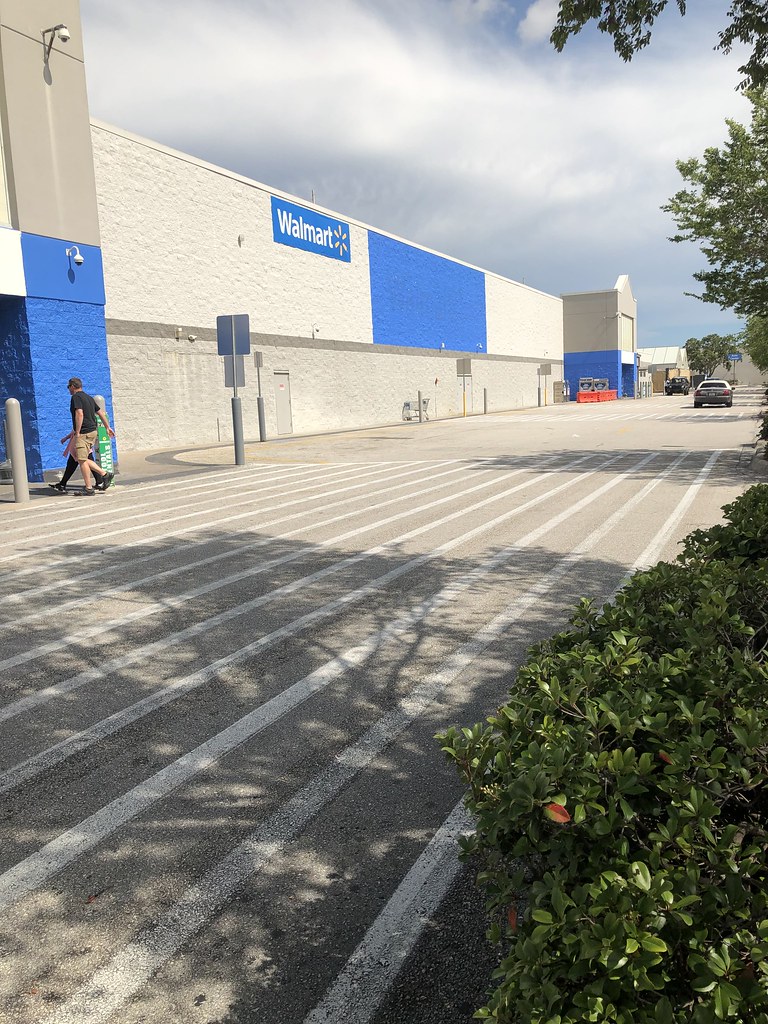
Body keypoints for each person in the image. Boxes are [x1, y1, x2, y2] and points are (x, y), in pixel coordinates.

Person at [58, 378, 116, 496]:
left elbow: (79, 413)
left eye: (68, 387)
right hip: (92, 431)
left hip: (83, 432)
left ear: (73, 386)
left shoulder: (76, 397)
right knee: (82, 459)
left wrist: (77, 432)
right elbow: (101, 413)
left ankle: (91, 486)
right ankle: (102, 476)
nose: (68, 389)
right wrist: (107, 427)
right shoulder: (89, 398)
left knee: (82, 460)